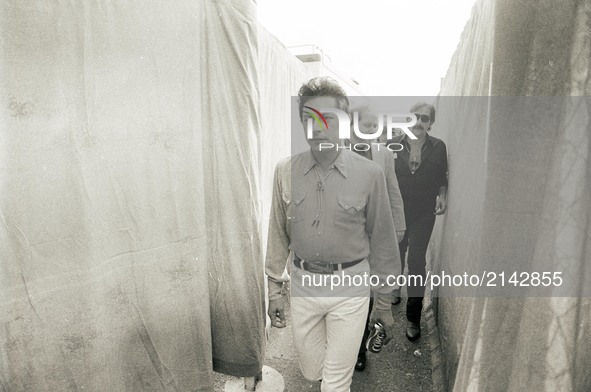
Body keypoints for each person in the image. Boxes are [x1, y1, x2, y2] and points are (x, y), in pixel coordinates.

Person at [265, 77, 401, 392]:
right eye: (309, 118)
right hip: (303, 285)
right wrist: (274, 292)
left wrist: (382, 302)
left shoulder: (370, 174)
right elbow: (277, 235)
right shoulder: (285, 172)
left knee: (335, 383)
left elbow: (383, 242)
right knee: (312, 371)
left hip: (350, 287)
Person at [346, 104, 406, 371]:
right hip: (348, 231)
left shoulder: (384, 154)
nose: (369, 131)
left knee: (369, 293)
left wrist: (399, 225)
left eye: (373, 126)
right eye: (364, 125)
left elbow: (392, 190)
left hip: (376, 230)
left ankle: (359, 349)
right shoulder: (338, 150)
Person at [390, 102, 448, 341]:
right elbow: (381, 177)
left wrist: (442, 196)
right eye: (415, 117)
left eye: (425, 118)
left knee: (415, 260)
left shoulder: (438, 147)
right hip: (398, 211)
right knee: (396, 253)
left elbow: (443, 177)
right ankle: (394, 287)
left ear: (430, 123)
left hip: (424, 213)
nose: (419, 122)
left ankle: (413, 318)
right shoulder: (392, 145)